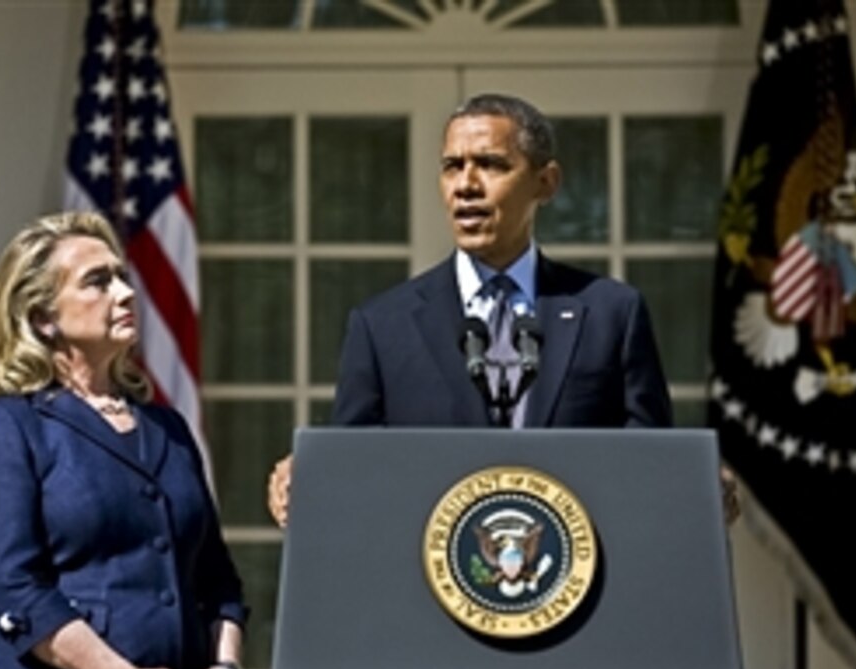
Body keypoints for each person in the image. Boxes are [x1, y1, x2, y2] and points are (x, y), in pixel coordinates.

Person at [268, 93, 676, 526]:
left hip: (575, 578)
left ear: (546, 182)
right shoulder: (382, 327)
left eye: (491, 164)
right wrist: (316, 472)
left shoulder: (611, 314)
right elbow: (358, 472)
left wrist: (700, 481)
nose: (466, 185)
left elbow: (651, 466)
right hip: (429, 584)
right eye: (452, 167)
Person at [0, 211, 246, 669]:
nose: (125, 293)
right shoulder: (8, 424)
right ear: (42, 316)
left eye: (121, 276)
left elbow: (217, 580)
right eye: (98, 282)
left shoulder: (168, 427)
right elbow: (16, 587)